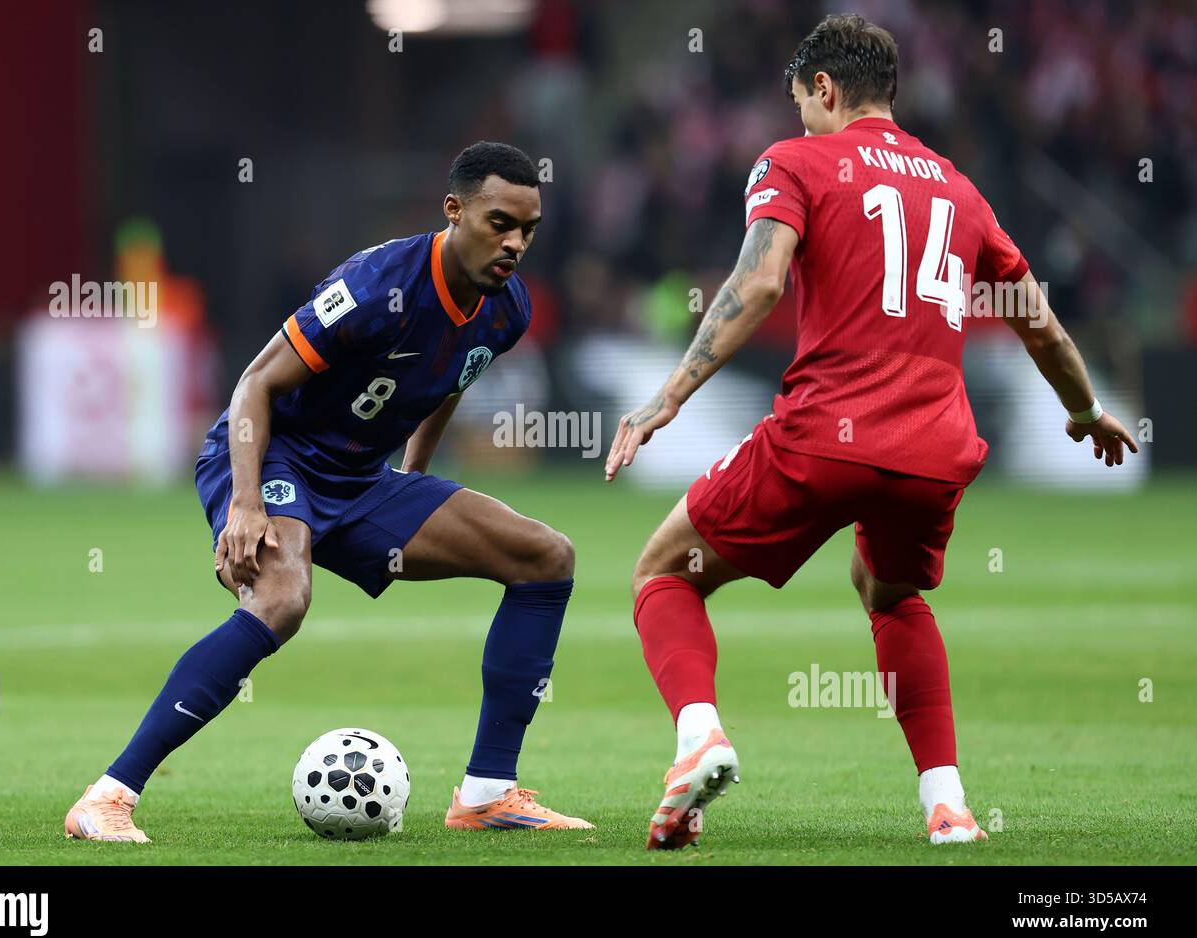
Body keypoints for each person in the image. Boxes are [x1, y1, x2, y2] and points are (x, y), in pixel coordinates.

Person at [605, 15, 1138, 850]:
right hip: (936, 449)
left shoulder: (796, 162)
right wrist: (1082, 411)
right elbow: (1037, 321)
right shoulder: (957, 186)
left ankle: (698, 737)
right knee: (891, 591)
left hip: (825, 434)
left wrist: (668, 395)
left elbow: (759, 281)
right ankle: (949, 806)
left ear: (823, 89)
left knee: (663, 572)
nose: (798, 121)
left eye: (801, 103)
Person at [66, 141, 592, 842]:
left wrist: (414, 472)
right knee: (283, 598)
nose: (515, 243)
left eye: (527, 229)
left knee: (545, 556)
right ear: (454, 210)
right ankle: (107, 796)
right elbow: (257, 383)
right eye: (500, 222)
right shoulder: (377, 286)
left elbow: (449, 377)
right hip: (271, 454)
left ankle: (487, 793)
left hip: (362, 479)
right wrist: (247, 505)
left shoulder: (507, 310)